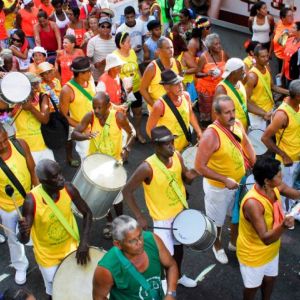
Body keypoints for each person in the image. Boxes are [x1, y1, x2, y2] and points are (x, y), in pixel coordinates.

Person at [123, 125, 200, 288]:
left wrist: (194, 173)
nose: (172, 146)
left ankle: (177, 276)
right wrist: (139, 216)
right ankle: (164, 282)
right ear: (156, 146)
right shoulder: (147, 167)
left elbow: (186, 179)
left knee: (179, 248)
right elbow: (127, 191)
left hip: (179, 213)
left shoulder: (178, 156)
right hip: (162, 219)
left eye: (172, 141)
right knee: (165, 255)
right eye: (167, 144)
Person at [18, 159, 92, 298]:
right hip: (48, 257)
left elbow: (88, 213)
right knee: (56, 291)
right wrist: (22, 232)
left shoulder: (68, 188)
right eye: (55, 177)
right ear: (43, 180)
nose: (61, 178)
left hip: (71, 248)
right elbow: (24, 239)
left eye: (60, 173)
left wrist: (84, 242)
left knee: (76, 283)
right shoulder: (31, 200)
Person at [195, 95, 256, 264]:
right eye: (227, 112)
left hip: (239, 182)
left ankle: (233, 242)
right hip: (218, 188)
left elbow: (246, 143)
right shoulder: (210, 136)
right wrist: (224, 179)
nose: (232, 115)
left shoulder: (236, 124)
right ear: (217, 114)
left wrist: (255, 164)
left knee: (236, 215)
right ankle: (217, 246)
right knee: (217, 221)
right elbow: (200, 167)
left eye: (233, 110)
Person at [237, 157, 297, 300]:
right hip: (254, 254)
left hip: (272, 249)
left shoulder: (275, 187)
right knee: (252, 288)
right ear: (266, 181)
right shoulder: (253, 203)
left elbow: (295, 193)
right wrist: (283, 225)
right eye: (278, 174)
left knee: (270, 279)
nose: (282, 176)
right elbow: (265, 238)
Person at [93, 215, 179, 299]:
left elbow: (171, 266)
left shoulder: (152, 240)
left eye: (140, 235)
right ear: (118, 244)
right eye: (132, 241)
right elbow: (99, 297)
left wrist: (171, 294)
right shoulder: (106, 269)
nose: (140, 242)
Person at [0, 123, 38, 285]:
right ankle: (21, 265)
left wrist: (38, 192)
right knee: (13, 238)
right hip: (7, 207)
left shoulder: (20, 144)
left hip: (29, 198)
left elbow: (32, 169)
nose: (2, 146)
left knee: (39, 229)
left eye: (4, 141)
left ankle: (48, 258)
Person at [262, 79, 300, 215]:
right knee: (285, 191)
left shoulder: (298, 105)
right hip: (288, 161)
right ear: (297, 96)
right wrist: (284, 155)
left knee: (295, 187)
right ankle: (285, 216)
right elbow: (265, 138)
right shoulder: (282, 115)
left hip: (297, 158)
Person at [146, 70, 202, 152]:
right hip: (170, 151)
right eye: (176, 84)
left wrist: (199, 131)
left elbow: (190, 114)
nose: (180, 86)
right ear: (167, 88)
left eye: (180, 82)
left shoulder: (186, 96)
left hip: (186, 143)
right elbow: (149, 129)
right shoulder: (160, 105)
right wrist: (163, 148)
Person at [72, 91, 135, 162]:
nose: (96, 111)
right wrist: (86, 136)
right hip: (94, 159)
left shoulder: (118, 117)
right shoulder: (90, 116)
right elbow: (74, 134)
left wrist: (127, 149)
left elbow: (132, 133)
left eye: (99, 108)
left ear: (108, 106)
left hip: (114, 160)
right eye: (94, 107)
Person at [14, 72, 55, 164]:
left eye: (36, 83)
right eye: (33, 84)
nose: (36, 86)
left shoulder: (42, 97)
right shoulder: (13, 101)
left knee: (51, 172)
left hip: (44, 145)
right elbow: (5, 118)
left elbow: (45, 120)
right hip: (24, 148)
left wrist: (31, 108)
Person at [59, 56, 96, 160]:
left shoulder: (90, 81)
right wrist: (82, 128)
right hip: (81, 130)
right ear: (80, 74)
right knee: (87, 160)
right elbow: (64, 116)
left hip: (96, 127)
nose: (91, 73)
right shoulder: (67, 90)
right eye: (88, 71)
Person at [245, 45, 288, 131]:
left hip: (269, 110)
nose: (266, 59)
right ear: (255, 57)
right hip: (258, 116)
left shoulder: (267, 67)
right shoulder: (252, 76)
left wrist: (290, 92)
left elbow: (272, 86)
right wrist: (263, 114)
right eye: (263, 57)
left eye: (267, 56)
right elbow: (246, 101)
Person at [113, 32, 146, 144]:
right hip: (124, 92)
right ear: (121, 44)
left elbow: (136, 69)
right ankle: (127, 134)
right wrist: (123, 86)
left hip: (136, 89)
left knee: (138, 112)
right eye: (128, 41)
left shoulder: (132, 52)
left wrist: (141, 83)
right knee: (124, 114)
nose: (130, 43)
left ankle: (138, 132)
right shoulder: (115, 56)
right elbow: (113, 75)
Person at [196, 33, 228, 127]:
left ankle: (218, 128)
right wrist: (207, 73)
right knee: (207, 112)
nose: (219, 46)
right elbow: (197, 73)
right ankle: (206, 130)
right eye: (216, 44)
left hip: (220, 87)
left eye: (219, 43)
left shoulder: (223, 54)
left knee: (219, 109)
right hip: (207, 90)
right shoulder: (203, 57)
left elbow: (230, 64)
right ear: (210, 46)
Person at [140, 37, 181, 108]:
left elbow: (180, 83)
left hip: (176, 107)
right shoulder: (152, 68)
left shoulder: (176, 63)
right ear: (159, 50)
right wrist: (154, 106)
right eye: (167, 48)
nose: (171, 50)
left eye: (172, 47)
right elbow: (142, 89)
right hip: (160, 110)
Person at [215, 58, 249, 130]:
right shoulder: (221, 89)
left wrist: (264, 114)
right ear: (233, 72)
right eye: (242, 69)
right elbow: (216, 116)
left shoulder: (239, 83)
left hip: (242, 129)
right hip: (232, 132)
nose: (244, 71)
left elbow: (244, 103)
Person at [86, 17, 116, 83]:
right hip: (98, 78)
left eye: (108, 27)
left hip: (113, 77)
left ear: (111, 29)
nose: (105, 29)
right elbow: (89, 61)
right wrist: (98, 64)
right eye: (103, 26)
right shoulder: (92, 41)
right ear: (99, 27)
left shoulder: (115, 40)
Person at [273, 7, 295, 72]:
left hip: (290, 57)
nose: (292, 17)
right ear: (283, 18)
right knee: (281, 75)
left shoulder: (296, 25)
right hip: (280, 56)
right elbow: (281, 42)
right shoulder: (279, 24)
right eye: (289, 16)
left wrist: (288, 34)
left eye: (292, 15)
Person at [281, 21, 300, 87]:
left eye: (294, 28)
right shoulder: (289, 39)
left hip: (295, 75)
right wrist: (282, 72)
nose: (291, 29)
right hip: (286, 73)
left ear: (299, 31)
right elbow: (284, 58)